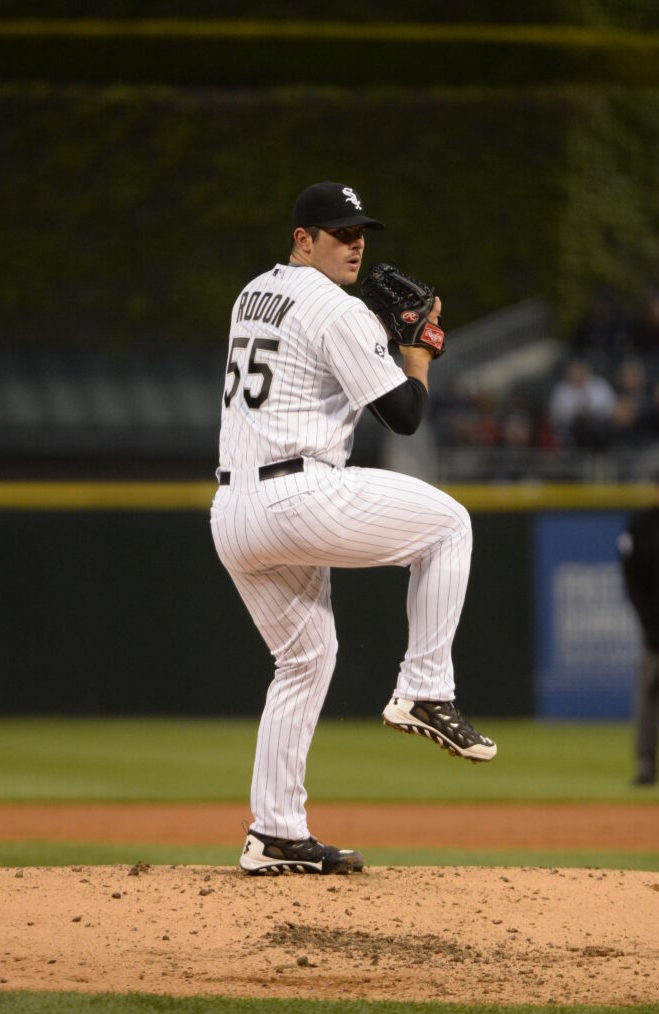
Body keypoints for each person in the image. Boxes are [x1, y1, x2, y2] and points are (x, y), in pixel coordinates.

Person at [210, 181, 497, 876]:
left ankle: (276, 832)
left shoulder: (252, 292)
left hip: (233, 513)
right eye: (338, 233)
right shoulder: (335, 309)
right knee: (449, 526)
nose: (356, 243)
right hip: (298, 495)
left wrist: (380, 334)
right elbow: (404, 415)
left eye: (360, 231)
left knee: (305, 660)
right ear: (302, 239)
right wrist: (418, 352)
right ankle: (426, 689)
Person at [618, 484, 659, 786]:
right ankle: (646, 765)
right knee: (648, 695)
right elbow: (632, 576)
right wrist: (648, 620)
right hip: (654, 628)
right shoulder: (642, 524)